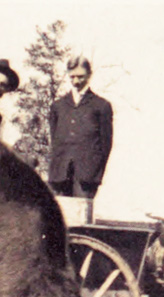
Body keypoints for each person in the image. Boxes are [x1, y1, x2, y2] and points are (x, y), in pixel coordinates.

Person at [48, 56, 113, 199]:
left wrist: (95, 172)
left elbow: (106, 144)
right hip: (59, 174)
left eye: (80, 76)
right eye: (72, 77)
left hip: (87, 177)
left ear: (89, 75)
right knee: (57, 211)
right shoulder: (58, 106)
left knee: (81, 211)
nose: (76, 81)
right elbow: (54, 138)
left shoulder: (101, 106)